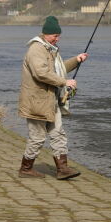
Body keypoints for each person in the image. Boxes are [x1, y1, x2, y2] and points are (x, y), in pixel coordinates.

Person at [18, 16, 88, 180]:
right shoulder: (36, 49)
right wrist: (65, 82)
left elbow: (60, 69)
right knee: (37, 137)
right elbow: (41, 73)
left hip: (50, 101)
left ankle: (62, 169)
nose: (58, 39)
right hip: (36, 102)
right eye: (55, 36)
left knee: (58, 134)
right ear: (45, 34)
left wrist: (77, 60)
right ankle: (25, 168)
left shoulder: (50, 49)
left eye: (59, 36)